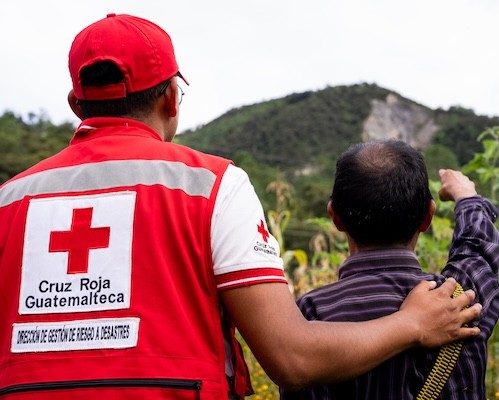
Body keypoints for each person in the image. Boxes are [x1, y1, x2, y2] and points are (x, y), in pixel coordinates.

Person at [0, 14, 481, 400]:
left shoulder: (9, 200)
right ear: (171, 98)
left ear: (75, 103)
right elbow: (292, 360)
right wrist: (410, 323)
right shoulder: (212, 185)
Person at [281, 140, 499, 400]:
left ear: (335, 217)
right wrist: (467, 197)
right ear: (428, 217)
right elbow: (481, 246)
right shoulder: (461, 298)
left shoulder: (311, 314)